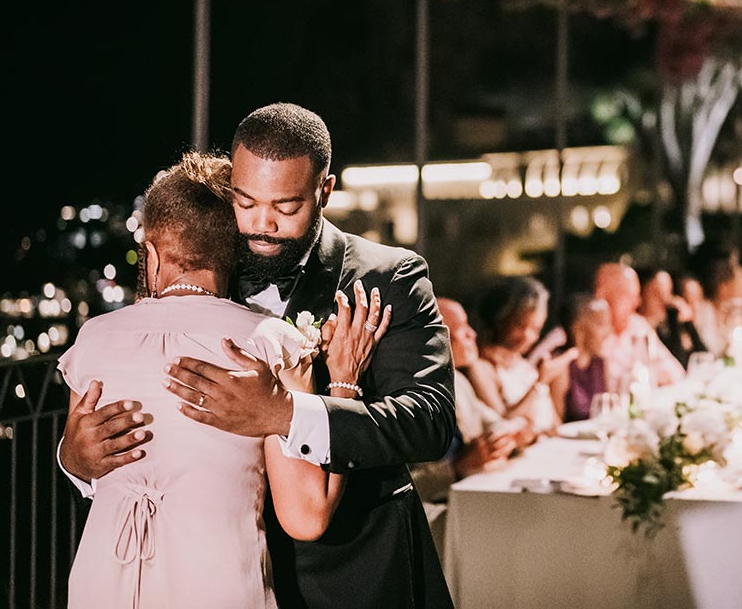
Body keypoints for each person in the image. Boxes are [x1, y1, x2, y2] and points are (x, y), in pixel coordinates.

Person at [59, 104, 456, 609]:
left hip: (352, 573)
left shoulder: (387, 278)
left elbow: (430, 421)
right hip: (222, 576)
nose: (261, 225)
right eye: (245, 203)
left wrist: (288, 413)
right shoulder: (211, 269)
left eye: (286, 207)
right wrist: (74, 459)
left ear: (324, 191)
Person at [408, 299, 526, 504]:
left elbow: (497, 423)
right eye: (461, 329)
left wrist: (509, 435)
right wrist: (458, 467)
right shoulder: (408, 398)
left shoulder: (458, 381)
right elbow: (403, 486)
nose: (473, 334)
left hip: (471, 499)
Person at [468, 276, 558, 431]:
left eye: (536, 329)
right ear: (500, 319)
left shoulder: (525, 365)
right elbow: (502, 424)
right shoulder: (481, 366)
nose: (527, 336)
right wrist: (540, 383)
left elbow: (554, 426)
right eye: (520, 326)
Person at [593, 262, 685, 392]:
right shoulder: (581, 335)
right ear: (601, 295)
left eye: (637, 296)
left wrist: (643, 376)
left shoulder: (637, 324)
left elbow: (676, 372)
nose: (637, 302)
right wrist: (646, 376)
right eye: (629, 296)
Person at [541, 296, 613, 422]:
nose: (609, 331)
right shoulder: (561, 365)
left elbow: (609, 409)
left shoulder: (600, 362)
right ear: (578, 329)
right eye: (601, 324)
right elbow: (556, 423)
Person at [639, 267, 705, 368]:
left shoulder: (662, 330)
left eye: (667, 292)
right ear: (641, 293)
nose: (664, 300)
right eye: (657, 293)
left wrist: (688, 324)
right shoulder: (637, 328)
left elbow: (702, 356)